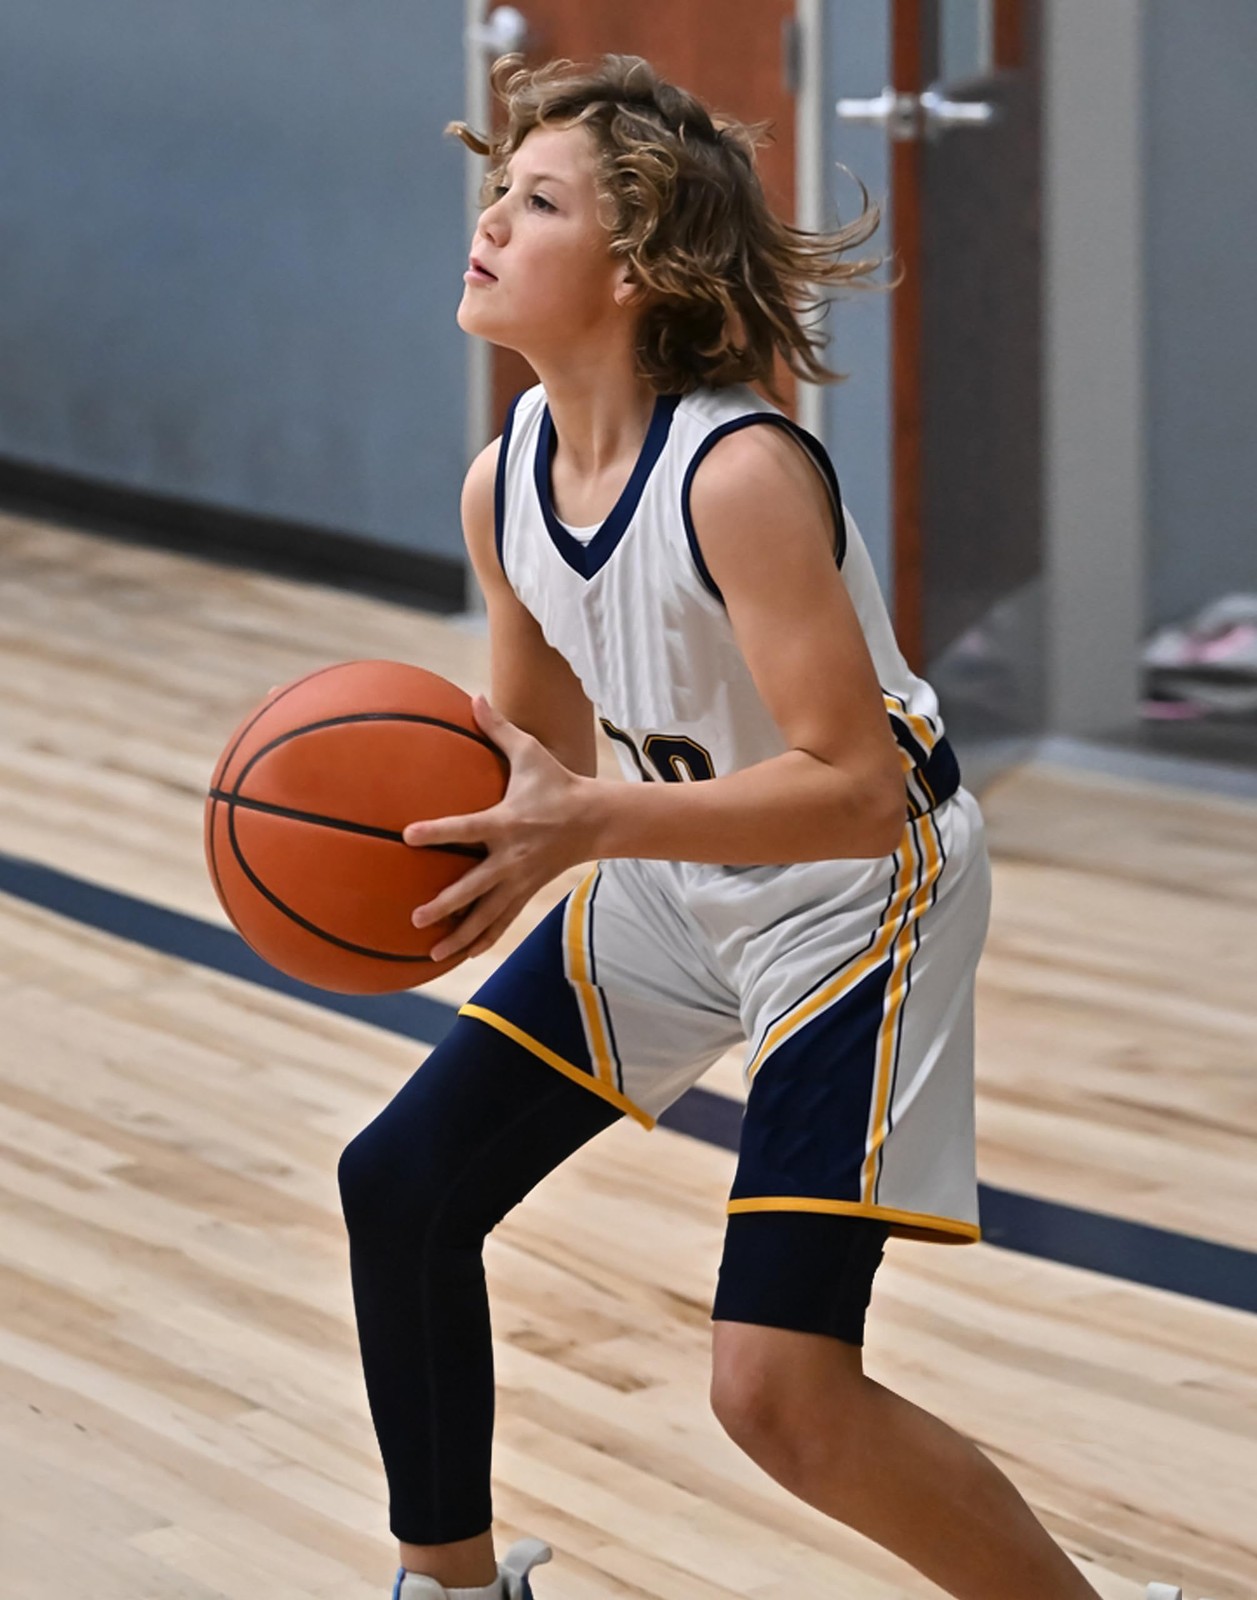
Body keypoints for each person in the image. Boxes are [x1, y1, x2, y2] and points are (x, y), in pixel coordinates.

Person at [336, 54, 1179, 1600]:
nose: (488, 220)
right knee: (399, 1187)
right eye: (496, 189)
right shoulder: (502, 481)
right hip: (671, 873)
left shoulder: (737, 474)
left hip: (860, 896)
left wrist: (587, 821)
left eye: (538, 202)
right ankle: (448, 1586)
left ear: (637, 267)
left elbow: (854, 791)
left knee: (777, 1395)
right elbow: (541, 765)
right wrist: (415, 852)